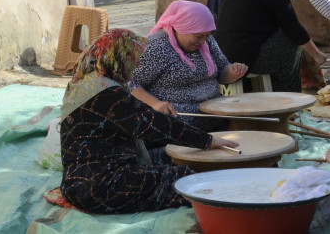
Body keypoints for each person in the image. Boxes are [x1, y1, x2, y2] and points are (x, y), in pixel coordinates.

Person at [60, 28, 239, 214]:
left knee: (172, 155)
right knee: (188, 178)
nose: (136, 65)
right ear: (118, 58)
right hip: (96, 185)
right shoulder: (105, 94)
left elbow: (145, 119)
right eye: (133, 59)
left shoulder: (87, 83)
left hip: (84, 178)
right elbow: (152, 124)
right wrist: (207, 140)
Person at [215, 0, 327, 92]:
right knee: (292, 48)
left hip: (221, 56)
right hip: (244, 59)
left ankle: (257, 91)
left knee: (280, 38)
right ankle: (288, 98)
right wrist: (317, 55)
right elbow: (294, 30)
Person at [130, 0, 248, 132]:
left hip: (216, 115)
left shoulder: (206, 40)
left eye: (206, 36)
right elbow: (132, 83)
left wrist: (232, 72)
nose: (203, 41)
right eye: (199, 36)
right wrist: (155, 104)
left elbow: (222, 71)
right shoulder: (156, 46)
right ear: (182, 28)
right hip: (180, 127)